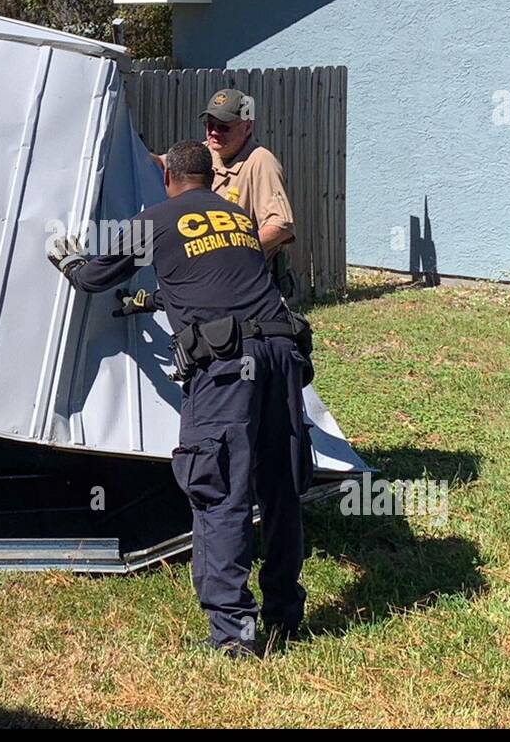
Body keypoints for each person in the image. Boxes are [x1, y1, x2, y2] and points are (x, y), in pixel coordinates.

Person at [48, 140, 314, 655]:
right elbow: (216, 278)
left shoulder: (156, 220)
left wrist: (71, 260)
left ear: (168, 176)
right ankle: (284, 612)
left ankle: (236, 636)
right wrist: (153, 299)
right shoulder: (236, 216)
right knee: (280, 487)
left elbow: (96, 278)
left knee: (220, 490)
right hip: (282, 355)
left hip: (230, 369)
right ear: (207, 178)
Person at [154, 88, 298, 293]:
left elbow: (280, 227)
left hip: (247, 281)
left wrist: (233, 251)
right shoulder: (205, 152)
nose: (214, 132)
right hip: (208, 277)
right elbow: (161, 163)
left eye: (223, 127)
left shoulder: (260, 161)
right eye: (209, 125)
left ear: (247, 126)